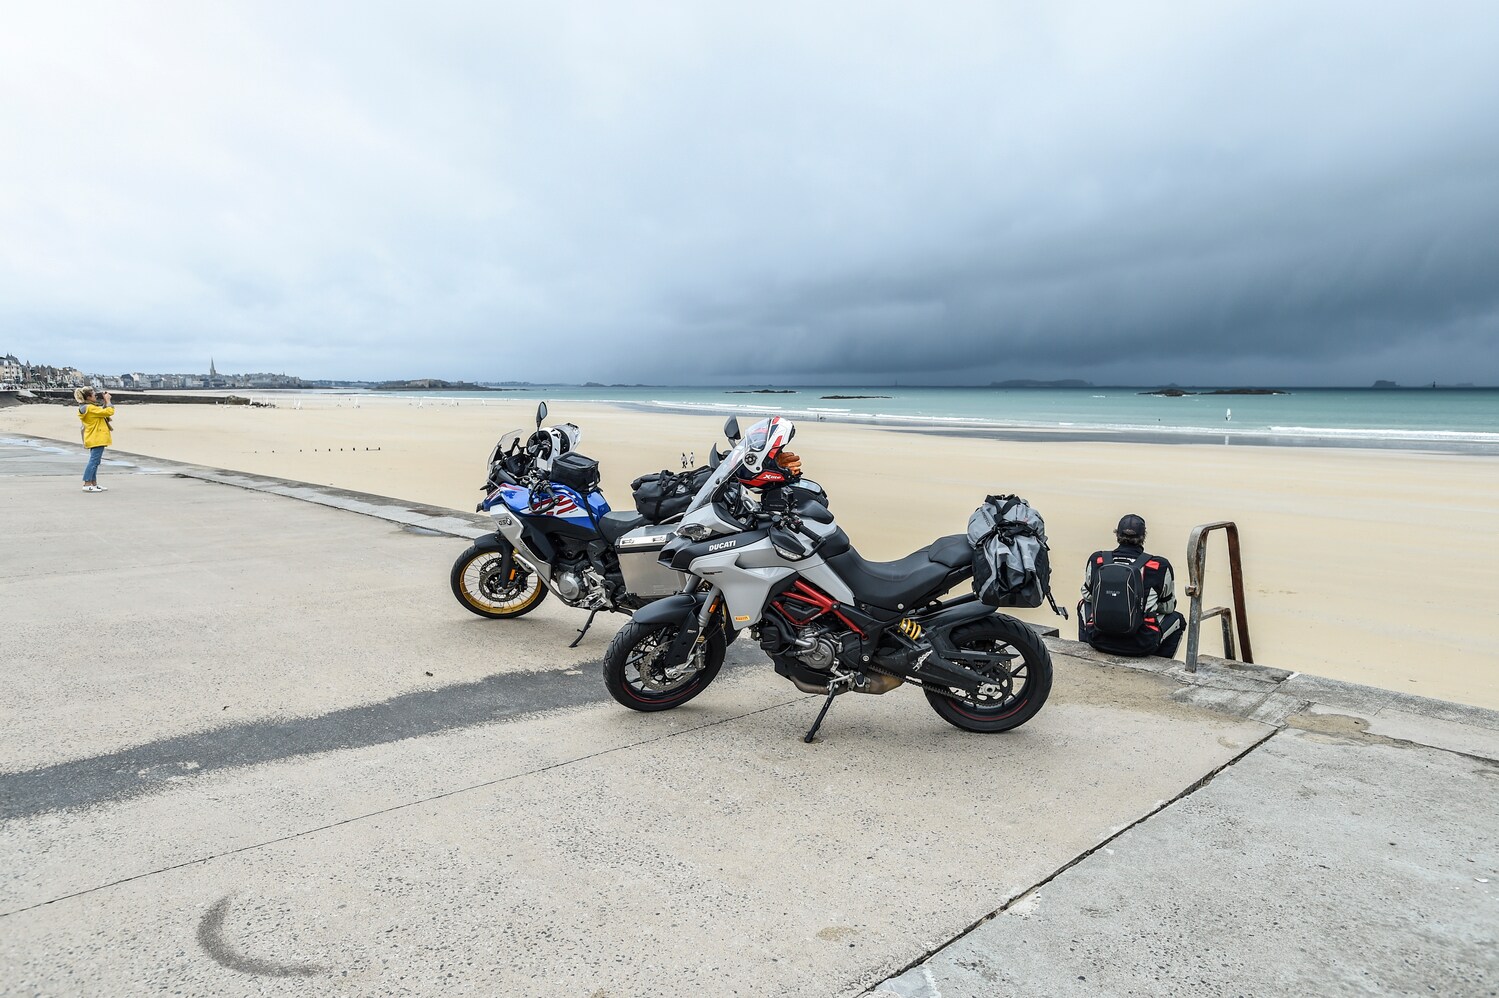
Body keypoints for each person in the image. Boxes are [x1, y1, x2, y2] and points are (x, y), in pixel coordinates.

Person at [1078, 514, 1185, 657]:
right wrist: (1144, 605)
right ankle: (1160, 661)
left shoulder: (1097, 559)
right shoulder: (1159, 565)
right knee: (1178, 619)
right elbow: (1168, 607)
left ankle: (1085, 653)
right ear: (1143, 536)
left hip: (1098, 639)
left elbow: (1088, 596)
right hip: (1141, 644)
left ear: (1117, 534)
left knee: (1083, 604)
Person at [75, 387, 115, 493]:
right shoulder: (90, 408)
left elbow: (102, 412)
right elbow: (109, 411)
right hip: (96, 437)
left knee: (95, 461)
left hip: (93, 437)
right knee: (94, 461)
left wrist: (105, 402)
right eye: (94, 395)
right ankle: (87, 483)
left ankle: (93, 483)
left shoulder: (87, 407)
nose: (96, 396)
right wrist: (108, 401)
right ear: (88, 397)